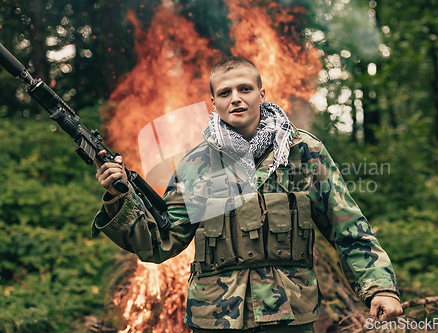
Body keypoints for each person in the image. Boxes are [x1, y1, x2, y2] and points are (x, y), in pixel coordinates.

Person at [92, 57, 403, 332]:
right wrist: (120, 198)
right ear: (213, 102)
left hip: (289, 317)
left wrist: (380, 287)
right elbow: (161, 242)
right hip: (216, 319)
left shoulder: (303, 152)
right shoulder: (195, 165)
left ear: (261, 94)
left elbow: (347, 226)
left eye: (245, 89)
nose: (236, 99)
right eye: (225, 93)